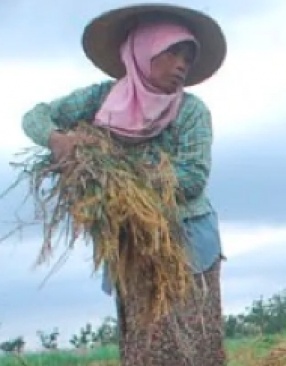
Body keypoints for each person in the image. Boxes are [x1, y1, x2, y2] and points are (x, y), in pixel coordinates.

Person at [20, 3, 228, 365]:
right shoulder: (103, 99)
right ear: (144, 49)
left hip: (187, 243)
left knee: (192, 342)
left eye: (187, 56)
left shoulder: (192, 111)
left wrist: (123, 174)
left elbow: (192, 178)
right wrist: (58, 140)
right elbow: (35, 116)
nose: (181, 64)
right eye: (172, 52)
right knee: (144, 344)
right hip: (131, 244)